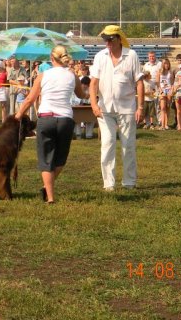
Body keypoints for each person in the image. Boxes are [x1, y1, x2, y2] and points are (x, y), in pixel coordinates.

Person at [15, 45, 86, 203]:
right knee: (60, 158)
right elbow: (81, 95)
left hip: (46, 118)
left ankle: (50, 196)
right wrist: (92, 92)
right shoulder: (72, 76)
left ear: (51, 59)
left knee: (46, 159)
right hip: (65, 119)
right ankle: (47, 188)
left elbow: (30, 99)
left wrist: (18, 115)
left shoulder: (43, 75)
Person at [89, 25, 144, 192]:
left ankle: (129, 182)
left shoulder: (131, 55)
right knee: (107, 143)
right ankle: (108, 184)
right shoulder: (100, 56)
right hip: (104, 108)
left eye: (111, 39)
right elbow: (93, 83)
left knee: (128, 145)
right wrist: (93, 104)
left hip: (127, 107)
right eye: (105, 39)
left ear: (119, 39)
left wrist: (140, 107)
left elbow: (139, 82)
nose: (107, 43)